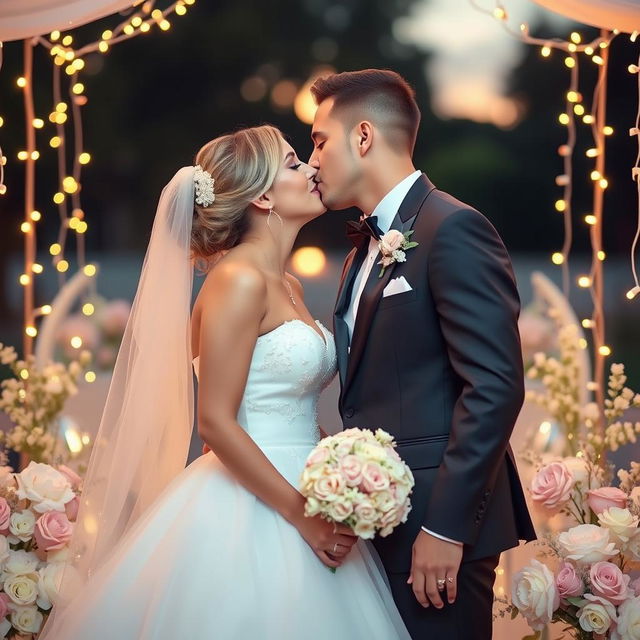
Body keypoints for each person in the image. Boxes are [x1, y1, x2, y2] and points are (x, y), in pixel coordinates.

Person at [40, 125, 410, 639]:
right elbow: (215, 420)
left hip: (307, 483)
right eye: (292, 163)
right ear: (262, 195)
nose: (311, 169)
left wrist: (342, 468)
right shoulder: (237, 280)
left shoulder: (288, 283)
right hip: (255, 502)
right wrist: (303, 516)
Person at [309, 69, 536, 640]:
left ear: (363, 137)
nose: (312, 161)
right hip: (376, 524)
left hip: (436, 530)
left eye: (319, 141)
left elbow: (494, 387)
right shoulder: (361, 249)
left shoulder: (453, 228)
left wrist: (446, 528)